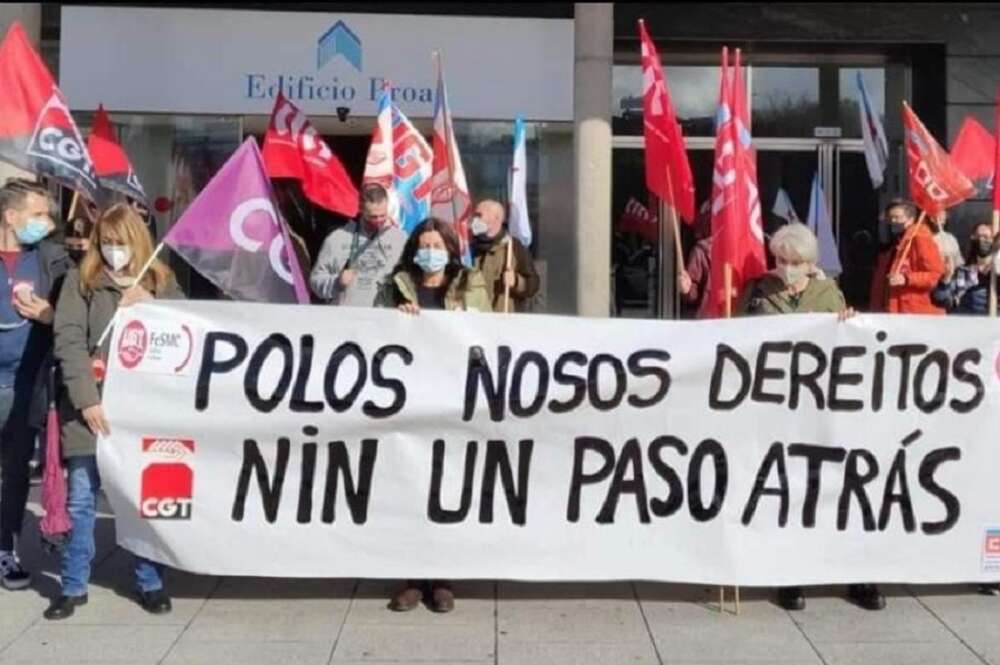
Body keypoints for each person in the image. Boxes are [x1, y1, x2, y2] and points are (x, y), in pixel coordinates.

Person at [736, 223, 885, 612]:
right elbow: (734, 338)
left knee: (838, 487)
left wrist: (850, 324)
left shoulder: (827, 293)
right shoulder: (759, 291)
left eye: (795, 261)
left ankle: (858, 575)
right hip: (778, 406)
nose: (786, 267)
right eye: (781, 260)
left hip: (823, 407)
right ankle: (791, 576)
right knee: (789, 489)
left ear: (810, 263)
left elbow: (848, 344)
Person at [48, 203, 181, 620]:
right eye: (105, 243)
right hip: (92, 410)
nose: (112, 252)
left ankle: (149, 580)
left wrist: (150, 303)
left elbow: (187, 333)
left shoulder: (161, 280)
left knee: (141, 499)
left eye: (120, 243)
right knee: (82, 500)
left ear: (137, 242)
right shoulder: (80, 281)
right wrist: (87, 399)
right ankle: (72, 585)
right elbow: (68, 341)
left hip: (142, 412)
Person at [378, 217, 491, 613]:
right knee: (410, 487)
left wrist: (461, 312)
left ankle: (442, 578)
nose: (430, 252)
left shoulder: (468, 280)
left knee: (447, 490)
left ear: (449, 249)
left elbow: (486, 322)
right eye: (424, 245)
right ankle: (412, 579)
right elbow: (373, 331)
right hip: (408, 400)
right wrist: (397, 316)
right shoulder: (397, 284)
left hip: (452, 400)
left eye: (437, 245)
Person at [0, 179, 68, 590]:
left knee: (15, 473)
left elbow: (80, 312)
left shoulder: (52, 259)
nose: (47, 222)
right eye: (38, 214)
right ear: (11, 216)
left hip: (26, 386)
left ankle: (5, 550)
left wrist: (50, 314)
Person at [310, 184, 407, 307]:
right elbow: (315, 281)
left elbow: (414, 280)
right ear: (361, 209)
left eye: (382, 216)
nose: (378, 221)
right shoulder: (337, 239)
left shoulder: (400, 239)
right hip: (347, 319)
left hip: (385, 319)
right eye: (372, 217)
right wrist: (336, 282)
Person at [869, 200, 946, 315]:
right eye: (890, 218)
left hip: (912, 311)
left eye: (897, 217)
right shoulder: (893, 244)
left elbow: (934, 274)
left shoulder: (920, 238)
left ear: (910, 219)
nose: (893, 222)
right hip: (889, 310)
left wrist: (906, 279)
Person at [469, 199, 539, 312]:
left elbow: (533, 285)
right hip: (474, 317)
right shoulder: (470, 248)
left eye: (479, 215)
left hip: (502, 319)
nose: (475, 220)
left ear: (496, 218)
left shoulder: (514, 248)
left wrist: (516, 281)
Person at [933, 222, 999, 315]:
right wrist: (946, 278)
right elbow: (940, 301)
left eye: (986, 237)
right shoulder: (962, 272)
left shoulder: (996, 274)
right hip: (967, 324)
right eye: (977, 236)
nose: (981, 239)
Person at [679, 201, 713, 317]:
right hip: (710, 324)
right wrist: (687, 288)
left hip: (738, 324)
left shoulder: (743, 248)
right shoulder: (701, 251)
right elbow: (693, 295)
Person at [930, 210, 963, 281]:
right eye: (939, 213)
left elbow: (958, 262)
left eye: (944, 213)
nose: (942, 215)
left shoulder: (950, 238)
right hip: (933, 280)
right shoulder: (926, 238)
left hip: (950, 281)